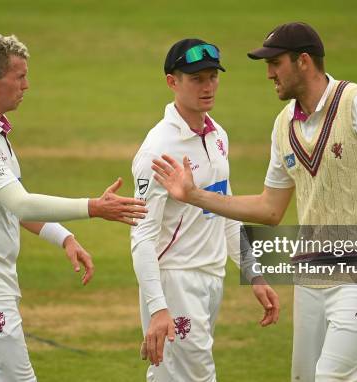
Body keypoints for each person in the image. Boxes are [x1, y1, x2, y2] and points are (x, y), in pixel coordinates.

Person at [151, 23, 357, 381]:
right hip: (313, 277)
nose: (269, 73)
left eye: (275, 63)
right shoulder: (283, 125)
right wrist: (196, 196)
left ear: (303, 61)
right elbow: (269, 209)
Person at [0, 34, 146, 381]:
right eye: (19, 77)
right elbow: (20, 203)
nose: (26, 85)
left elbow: (10, 206)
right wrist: (94, 207)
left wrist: (63, 237)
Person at [130, 38, 279, 382]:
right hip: (175, 281)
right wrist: (158, 307)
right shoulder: (158, 149)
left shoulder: (217, 135)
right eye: (197, 78)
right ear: (172, 82)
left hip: (212, 279)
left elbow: (224, 208)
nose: (208, 86)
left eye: (213, 76)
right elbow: (141, 237)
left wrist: (252, 273)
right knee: (197, 376)